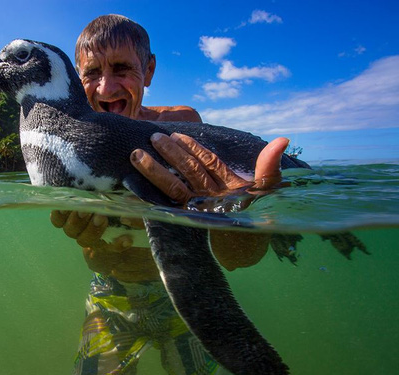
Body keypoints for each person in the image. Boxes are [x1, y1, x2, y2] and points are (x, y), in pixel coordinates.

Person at [52, 14, 288, 375]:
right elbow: (81, 231)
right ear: (76, 78)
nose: (105, 88)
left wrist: (233, 203)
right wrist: (79, 230)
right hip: (109, 296)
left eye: (121, 68)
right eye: (91, 73)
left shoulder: (182, 127)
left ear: (148, 70)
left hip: (178, 296)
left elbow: (234, 256)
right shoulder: (68, 145)